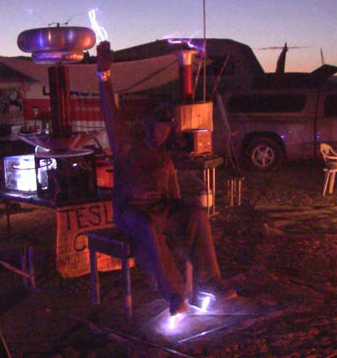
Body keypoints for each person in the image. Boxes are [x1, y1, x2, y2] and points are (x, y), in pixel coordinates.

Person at [96, 41, 235, 316]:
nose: (159, 134)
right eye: (157, 127)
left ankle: (211, 281)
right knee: (147, 224)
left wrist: (180, 218)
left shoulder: (164, 156)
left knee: (196, 214)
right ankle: (174, 294)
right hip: (131, 211)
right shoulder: (125, 144)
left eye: (165, 130)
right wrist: (104, 75)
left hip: (161, 207)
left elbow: (173, 194)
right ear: (146, 125)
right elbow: (109, 112)